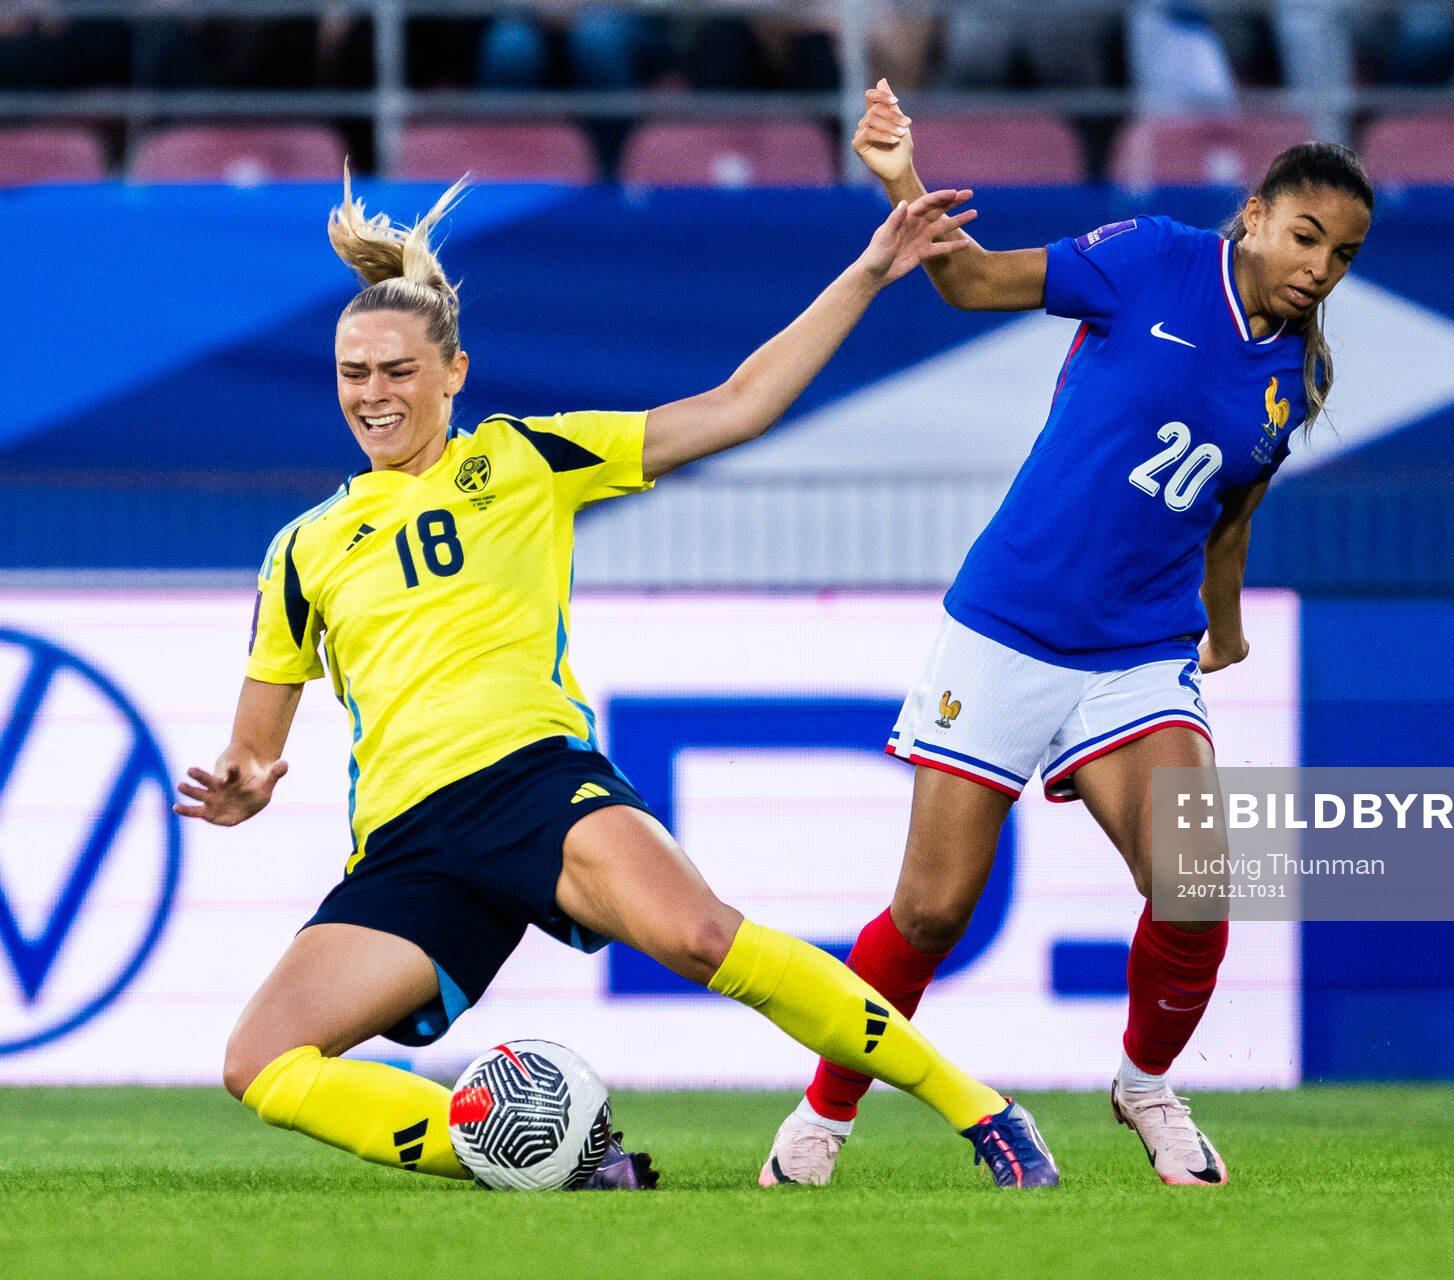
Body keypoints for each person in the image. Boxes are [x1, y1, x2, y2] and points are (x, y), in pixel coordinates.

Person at [179, 171, 1061, 1191]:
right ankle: (564, 1163)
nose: (373, 393)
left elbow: (739, 406)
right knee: (260, 1061)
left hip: (531, 782)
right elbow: (256, 744)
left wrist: (867, 272)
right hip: (408, 839)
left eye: (397, 370)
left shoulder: (525, 458)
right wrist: (243, 780)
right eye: (352, 373)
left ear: (454, 371)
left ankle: (983, 1110)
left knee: (703, 936)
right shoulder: (303, 549)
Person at [758, 79, 1372, 1189]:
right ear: (1255, 215)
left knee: (1195, 882)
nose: (1319, 266)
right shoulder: (1153, 257)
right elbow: (972, 282)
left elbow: (1229, 516)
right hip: (1008, 625)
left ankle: (1146, 1085)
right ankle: (824, 1111)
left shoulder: (1295, 376)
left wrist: (1224, 630)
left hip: (1139, 650)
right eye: (1305, 235)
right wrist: (901, 178)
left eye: (1342, 254)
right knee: (931, 910)